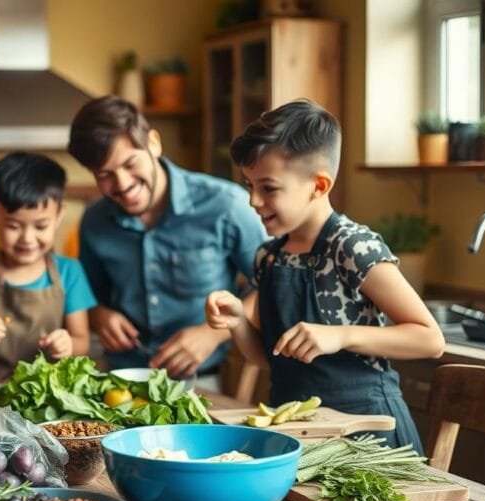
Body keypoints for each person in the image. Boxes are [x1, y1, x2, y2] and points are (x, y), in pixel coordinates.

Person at [206, 99, 444, 450]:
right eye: (248, 185)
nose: (253, 201)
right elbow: (267, 359)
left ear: (319, 186)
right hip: (295, 433)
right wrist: (239, 321)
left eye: (268, 188)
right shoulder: (269, 255)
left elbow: (430, 339)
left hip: (369, 437)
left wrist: (340, 336)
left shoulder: (352, 246)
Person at [67, 95, 266, 385]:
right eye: (105, 175)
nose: (122, 184)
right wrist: (99, 317)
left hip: (201, 381)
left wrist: (213, 333)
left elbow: (272, 285)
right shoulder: (94, 221)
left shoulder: (227, 205)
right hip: (119, 380)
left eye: (130, 164)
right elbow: (86, 294)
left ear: (153, 143)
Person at [0, 151, 97, 389]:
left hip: (47, 395)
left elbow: (82, 341)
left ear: (58, 216)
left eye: (41, 225)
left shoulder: (70, 272)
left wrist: (68, 344)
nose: (27, 238)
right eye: (13, 226)